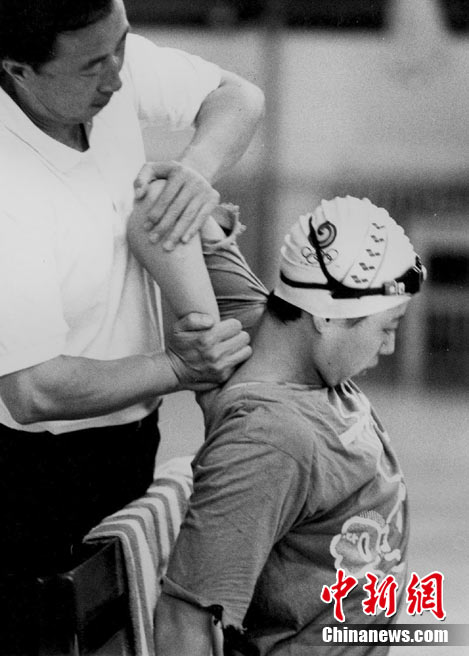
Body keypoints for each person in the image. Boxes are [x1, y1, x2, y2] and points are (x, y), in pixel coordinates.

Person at [0, 0, 264, 581]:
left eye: (121, 45)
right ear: (18, 68)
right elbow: (33, 389)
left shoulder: (106, 60)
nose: (118, 77)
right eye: (94, 66)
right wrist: (176, 367)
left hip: (131, 432)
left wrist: (196, 170)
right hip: (29, 470)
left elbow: (238, 96)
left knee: (127, 604)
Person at [144, 195, 426, 656]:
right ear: (327, 316)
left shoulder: (263, 325)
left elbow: (169, 212)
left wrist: (194, 181)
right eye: (387, 327)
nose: (389, 346)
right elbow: (183, 621)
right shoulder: (270, 442)